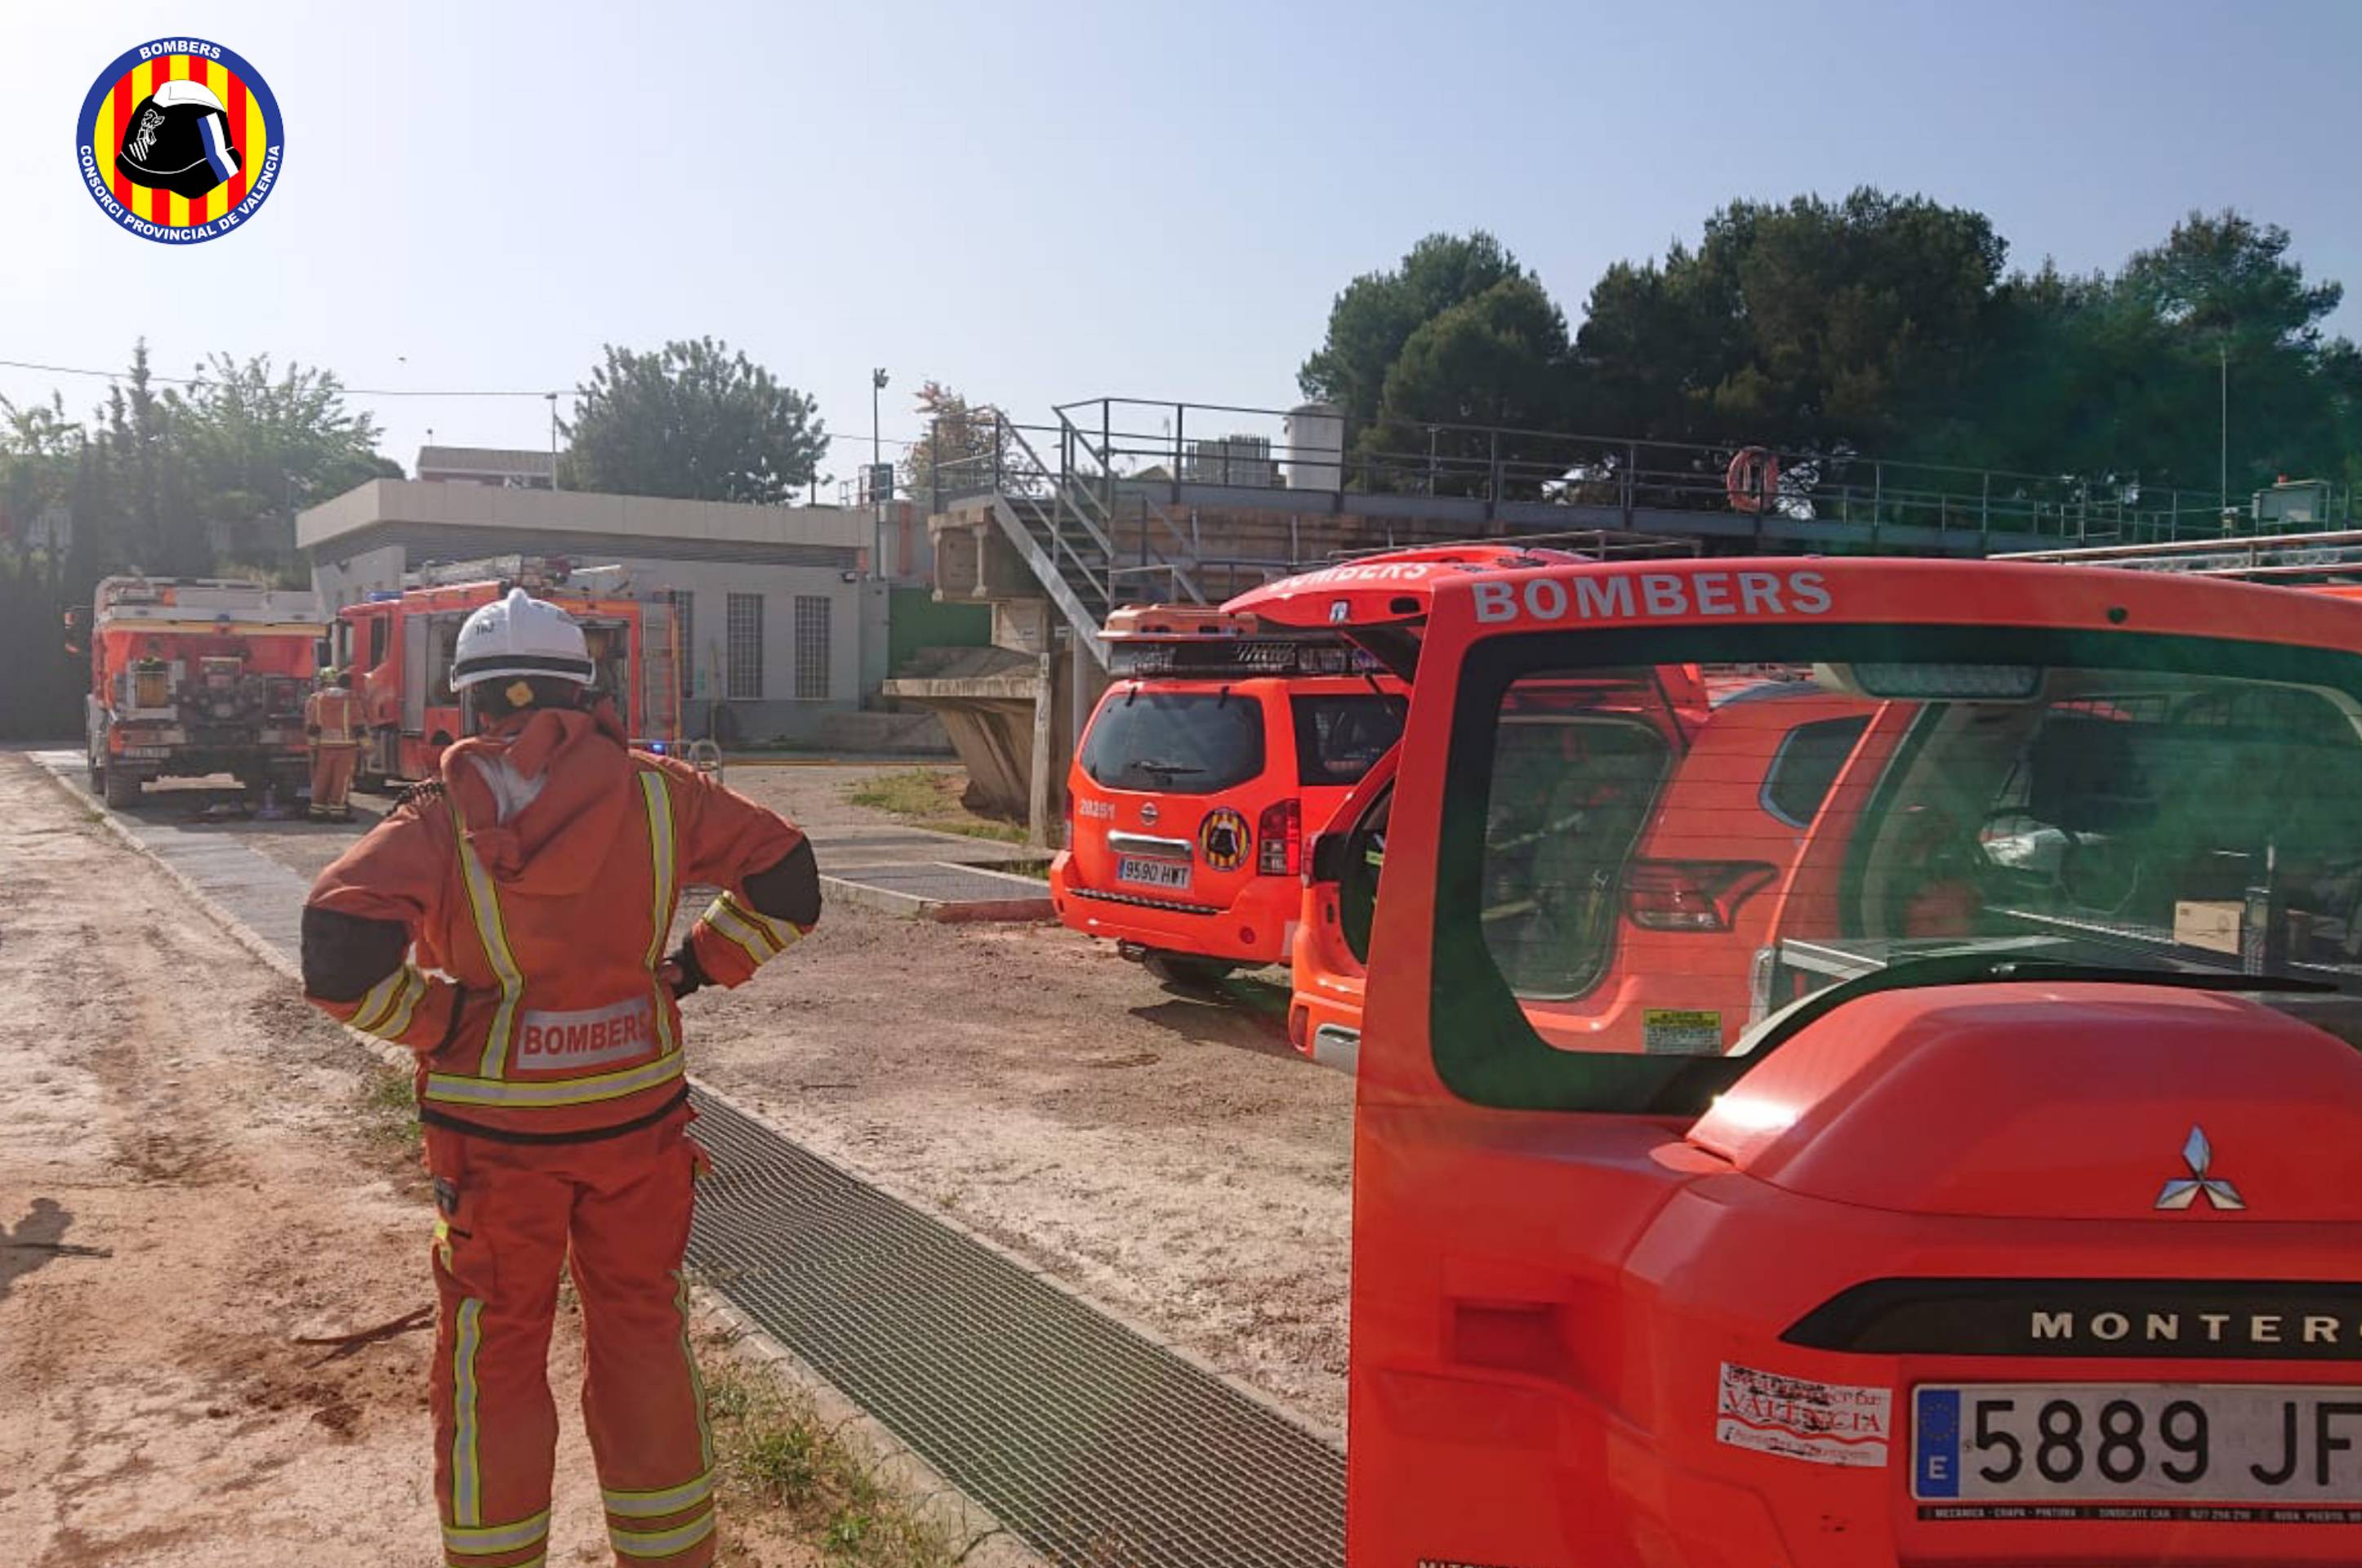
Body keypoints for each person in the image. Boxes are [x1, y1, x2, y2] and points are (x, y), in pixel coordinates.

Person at [300, 589, 818, 1568]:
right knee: (643, 1339)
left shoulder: (439, 818)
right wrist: (698, 967)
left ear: (469, 700)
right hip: (638, 1136)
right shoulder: (668, 795)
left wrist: (440, 1020)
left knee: (493, 1359)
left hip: (494, 1157)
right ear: (589, 689)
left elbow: (335, 947)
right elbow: (792, 883)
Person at [305, 666, 361, 822]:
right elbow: (358, 722)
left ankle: (317, 811)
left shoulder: (316, 699)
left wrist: (312, 747)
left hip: (324, 746)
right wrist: (366, 744)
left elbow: (313, 725)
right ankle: (337, 813)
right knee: (341, 780)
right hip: (346, 746)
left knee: (322, 778)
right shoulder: (350, 698)